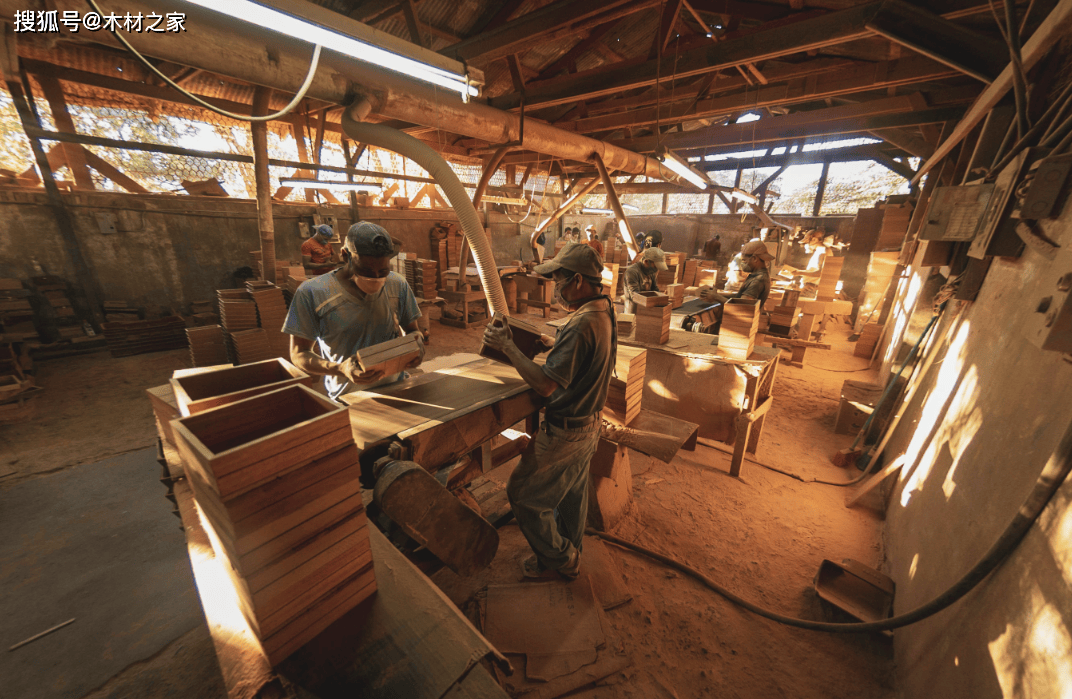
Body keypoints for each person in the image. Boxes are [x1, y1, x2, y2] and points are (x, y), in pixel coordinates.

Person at [482, 242, 615, 581]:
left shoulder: (582, 323)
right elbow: (589, 352)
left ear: (578, 281)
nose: (556, 288)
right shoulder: (603, 309)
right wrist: (556, 346)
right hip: (589, 424)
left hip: (567, 431)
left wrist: (508, 346)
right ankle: (570, 553)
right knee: (570, 494)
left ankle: (562, 560)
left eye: (559, 280)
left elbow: (545, 386)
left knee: (523, 495)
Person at [284, 221, 424, 400]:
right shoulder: (312, 293)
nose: (375, 277)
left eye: (383, 271)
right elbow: (299, 354)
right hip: (348, 396)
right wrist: (340, 369)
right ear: (345, 255)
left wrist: (417, 343)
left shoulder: (398, 285)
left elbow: (413, 331)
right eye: (365, 270)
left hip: (397, 388)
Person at [701, 240, 774, 310]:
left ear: (754, 258)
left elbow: (741, 306)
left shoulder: (758, 280)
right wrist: (718, 294)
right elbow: (739, 297)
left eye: (744, 260)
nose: (743, 264)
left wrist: (716, 297)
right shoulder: (757, 275)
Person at [622, 246, 667, 314]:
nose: (656, 269)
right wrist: (653, 300)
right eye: (655, 266)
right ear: (646, 261)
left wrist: (662, 297)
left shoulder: (650, 272)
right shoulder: (632, 272)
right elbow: (635, 295)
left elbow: (655, 289)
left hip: (647, 311)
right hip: (633, 312)